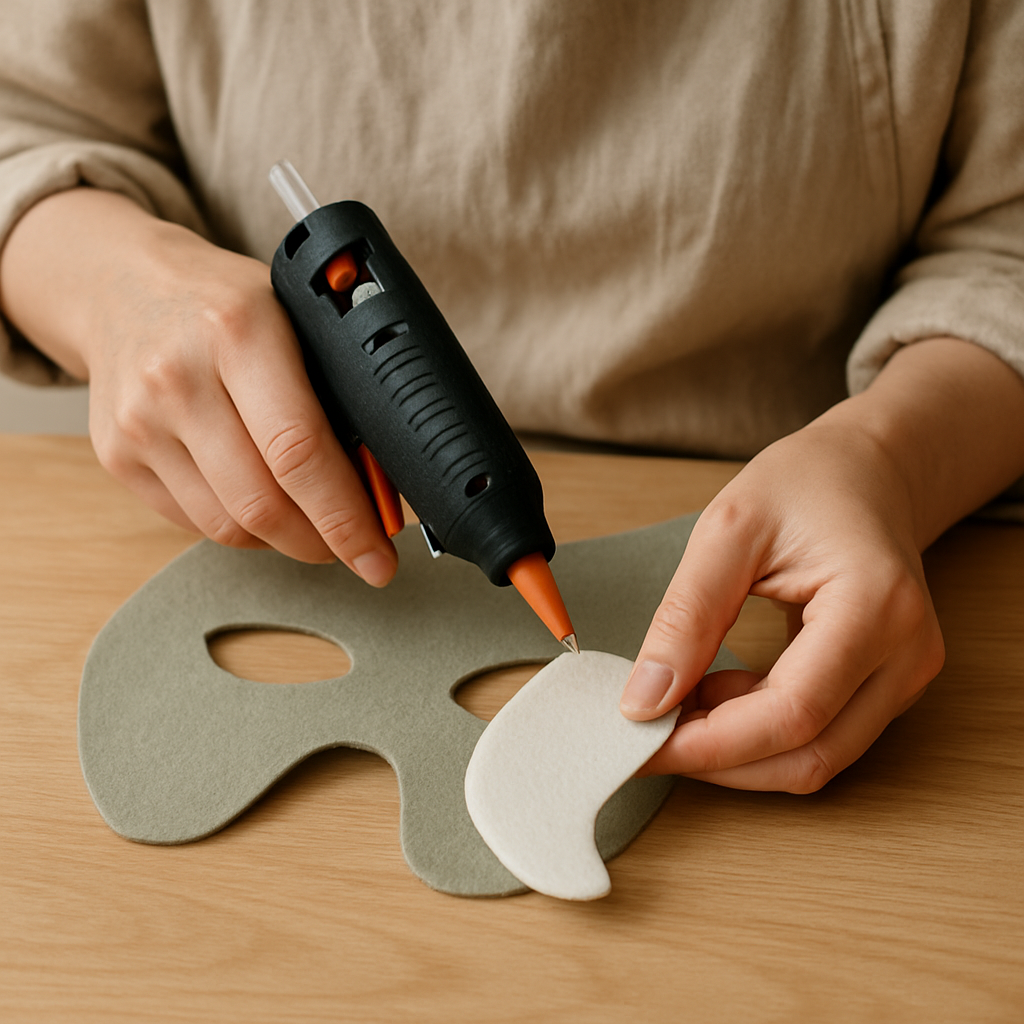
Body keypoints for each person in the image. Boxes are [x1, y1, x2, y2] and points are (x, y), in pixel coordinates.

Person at [1, 1, 1023, 792]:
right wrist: (112, 283)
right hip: (253, 513)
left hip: (811, 535)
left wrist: (890, 459)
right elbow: (25, 119)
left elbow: (1005, 244)